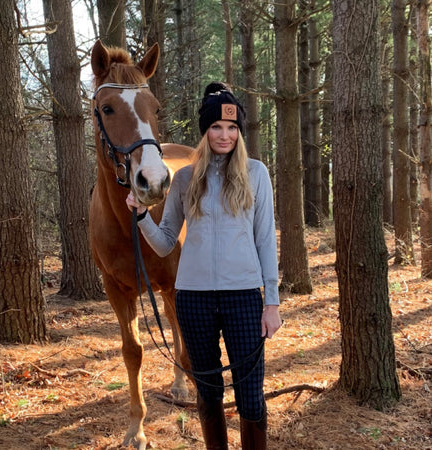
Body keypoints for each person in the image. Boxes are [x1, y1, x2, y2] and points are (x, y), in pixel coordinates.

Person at [126, 82, 282, 449]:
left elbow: (265, 239)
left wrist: (272, 302)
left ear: (239, 131)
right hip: (193, 300)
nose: (224, 135)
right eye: (216, 127)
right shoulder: (185, 178)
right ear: (205, 131)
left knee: (250, 393)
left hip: (243, 298)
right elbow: (165, 242)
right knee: (208, 391)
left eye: (231, 127)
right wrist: (142, 216)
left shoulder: (256, 173)